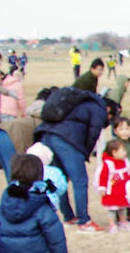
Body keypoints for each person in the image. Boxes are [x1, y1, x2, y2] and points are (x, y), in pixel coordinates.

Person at [34, 85, 109, 232]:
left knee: (59, 178)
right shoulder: (98, 109)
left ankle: (68, 216)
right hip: (67, 140)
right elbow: (93, 134)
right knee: (79, 180)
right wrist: (84, 153)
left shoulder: (78, 101)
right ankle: (84, 220)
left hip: (48, 135)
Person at [97, 137, 130, 230]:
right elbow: (103, 177)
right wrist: (102, 189)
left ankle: (123, 222)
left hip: (123, 191)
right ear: (114, 152)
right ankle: (112, 224)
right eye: (122, 150)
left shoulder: (126, 162)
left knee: (123, 208)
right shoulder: (108, 164)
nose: (125, 152)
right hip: (112, 192)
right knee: (112, 209)